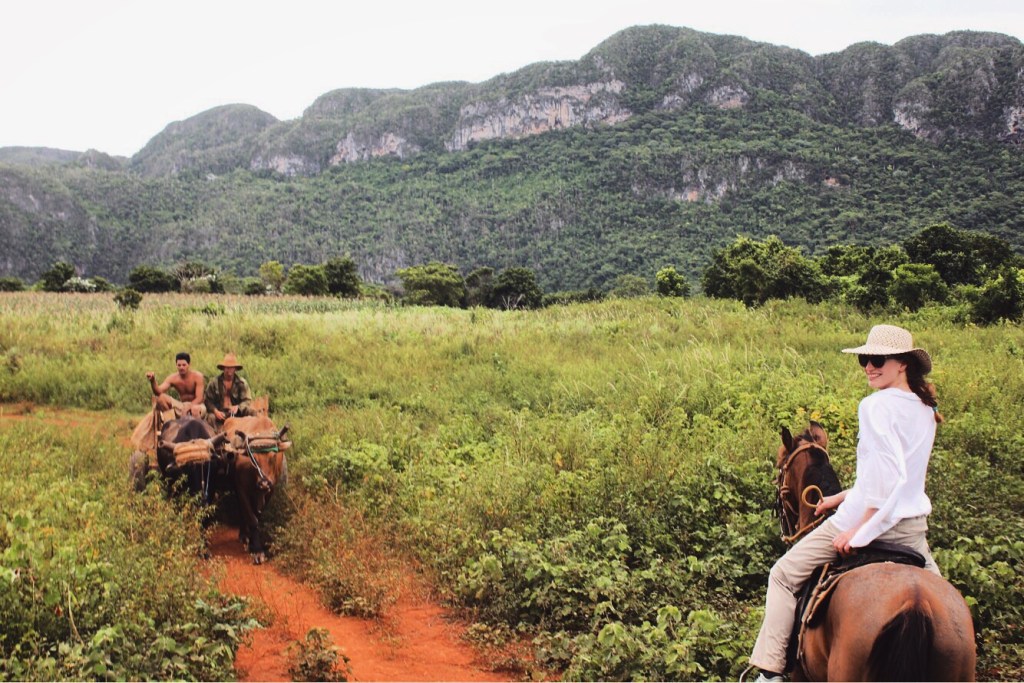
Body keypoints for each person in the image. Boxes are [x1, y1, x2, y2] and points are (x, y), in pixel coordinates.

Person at [748, 324, 943, 682]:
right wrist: (837, 497)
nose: (869, 366)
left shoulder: (874, 406)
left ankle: (771, 672)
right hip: (912, 532)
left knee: (782, 575)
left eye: (877, 359)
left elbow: (886, 482)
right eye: (864, 360)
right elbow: (902, 479)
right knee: (945, 606)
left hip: (868, 523)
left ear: (902, 364)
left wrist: (858, 530)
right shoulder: (926, 408)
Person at [145, 352, 206, 419]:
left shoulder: (198, 376)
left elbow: (199, 398)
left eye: (184, 365)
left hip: (198, 405)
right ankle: (170, 423)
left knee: (195, 409)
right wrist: (153, 381)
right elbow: (158, 392)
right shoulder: (173, 378)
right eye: (179, 365)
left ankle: (196, 428)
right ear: (176, 365)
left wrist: (189, 406)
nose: (181, 367)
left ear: (189, 364)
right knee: (161, 398)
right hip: (182, 406)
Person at [204, 352, 254, 428]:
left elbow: (247, 400)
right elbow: (207, 400)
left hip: (236, 413)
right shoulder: (214, 382)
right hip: (220, 412)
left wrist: (238, 407)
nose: (229, 371)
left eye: (231, 368)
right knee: (211, 417)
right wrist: (215, 411)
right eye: (227, 368)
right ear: (223, 368)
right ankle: (215, 436)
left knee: (251, 412)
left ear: (235, 369)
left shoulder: (241, 383)